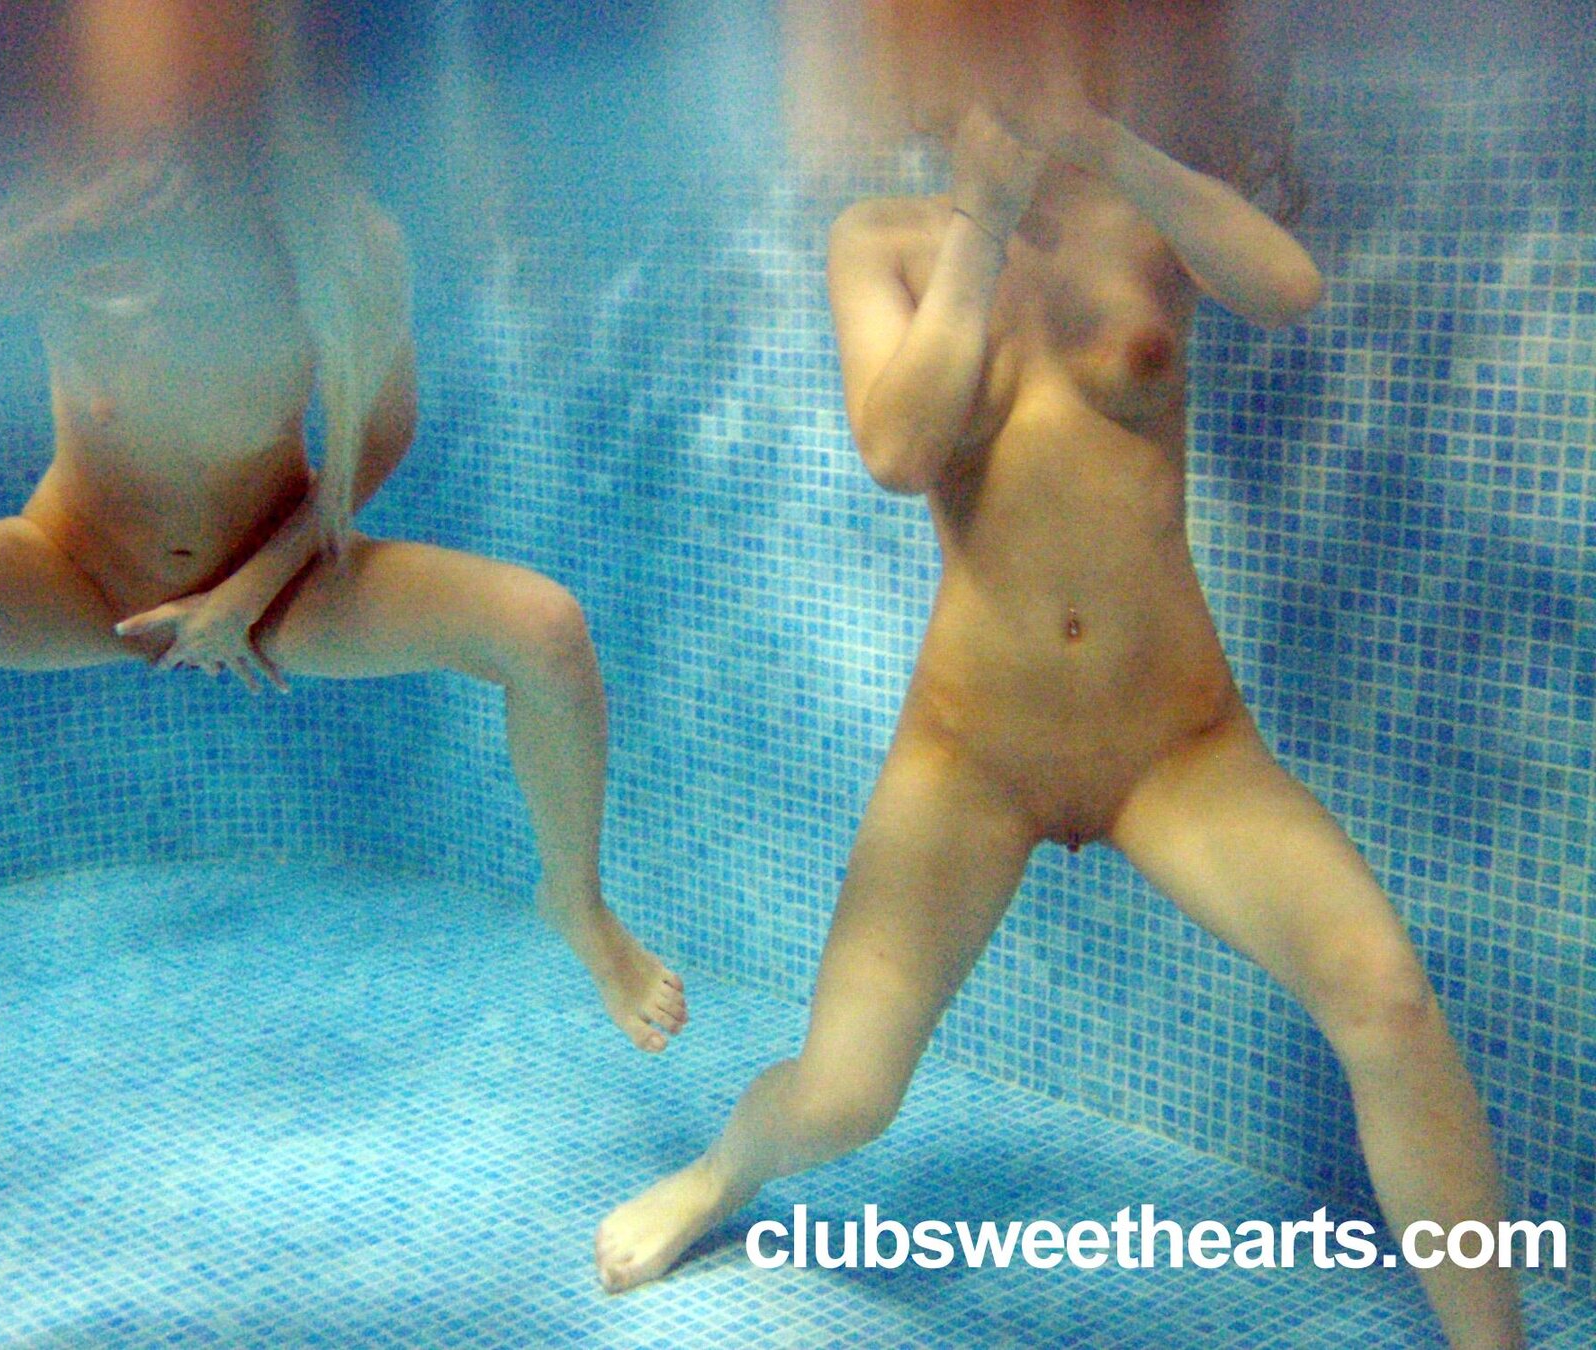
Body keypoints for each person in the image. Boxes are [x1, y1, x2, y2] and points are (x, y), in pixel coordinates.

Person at [596, 4, 1521, 1344]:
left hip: (1175, 745)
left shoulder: (1148, 216)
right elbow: (899, 448)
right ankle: (719, 1176)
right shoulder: (885, 239)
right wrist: (982, 215)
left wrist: (1105, 145)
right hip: (972, 750)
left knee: (1385, 999)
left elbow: (1289, 288)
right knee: (847, 1096)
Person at [0, 0, 687, 1054]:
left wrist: (252, 588)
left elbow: (380, 435)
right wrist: (36, 254)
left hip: (279, 583)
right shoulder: (73, 220)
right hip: (77, 571)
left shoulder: (335, 237)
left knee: (545, 628)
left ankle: (577, 905)